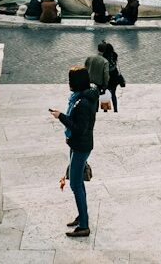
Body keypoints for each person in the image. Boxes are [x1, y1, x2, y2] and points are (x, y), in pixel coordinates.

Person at [55, 65, 106, 238]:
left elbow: (79, 128)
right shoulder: (83, 97)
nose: (68, 83)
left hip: (81, 146)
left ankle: (84, 225)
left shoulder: (83, 103)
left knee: (75, 184)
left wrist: (60, 116)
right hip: (78, 145)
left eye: (70, 80)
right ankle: (81, 215)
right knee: (78, 182)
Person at [100, 41, 123, 111]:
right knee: (113, 94)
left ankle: (105, 109)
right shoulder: (115, 54)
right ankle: (115, 109)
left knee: (105, 93)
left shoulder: (103, 56)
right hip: (114, 76)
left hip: (107, 77)